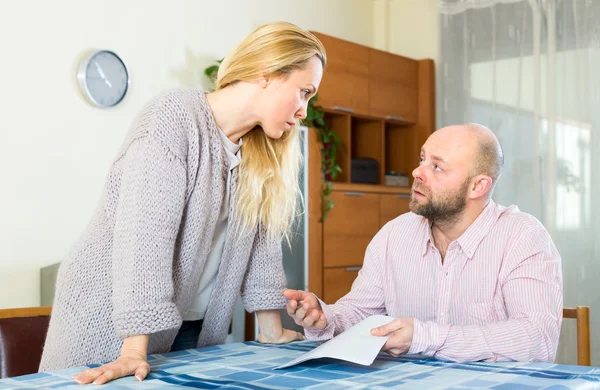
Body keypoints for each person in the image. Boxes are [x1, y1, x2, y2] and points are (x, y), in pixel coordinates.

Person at [39, 21, 326, 385]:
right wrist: (133, 352)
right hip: (108, 323)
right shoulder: (172, 119)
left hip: (187, 324)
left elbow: (261, 250)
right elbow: (144, 238)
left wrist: (272, 331)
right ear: (266, 73)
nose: (304, 110)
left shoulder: (259, 153)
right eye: (304, 92)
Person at [284, 123, 563, 363]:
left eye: (437, 166)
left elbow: (537, 341)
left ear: (478, 186)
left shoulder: (524, 237)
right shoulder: (394, 234)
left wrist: (423, 337)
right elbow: (361, 312)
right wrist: (326, 316)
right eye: (422, 159)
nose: (417, 171)